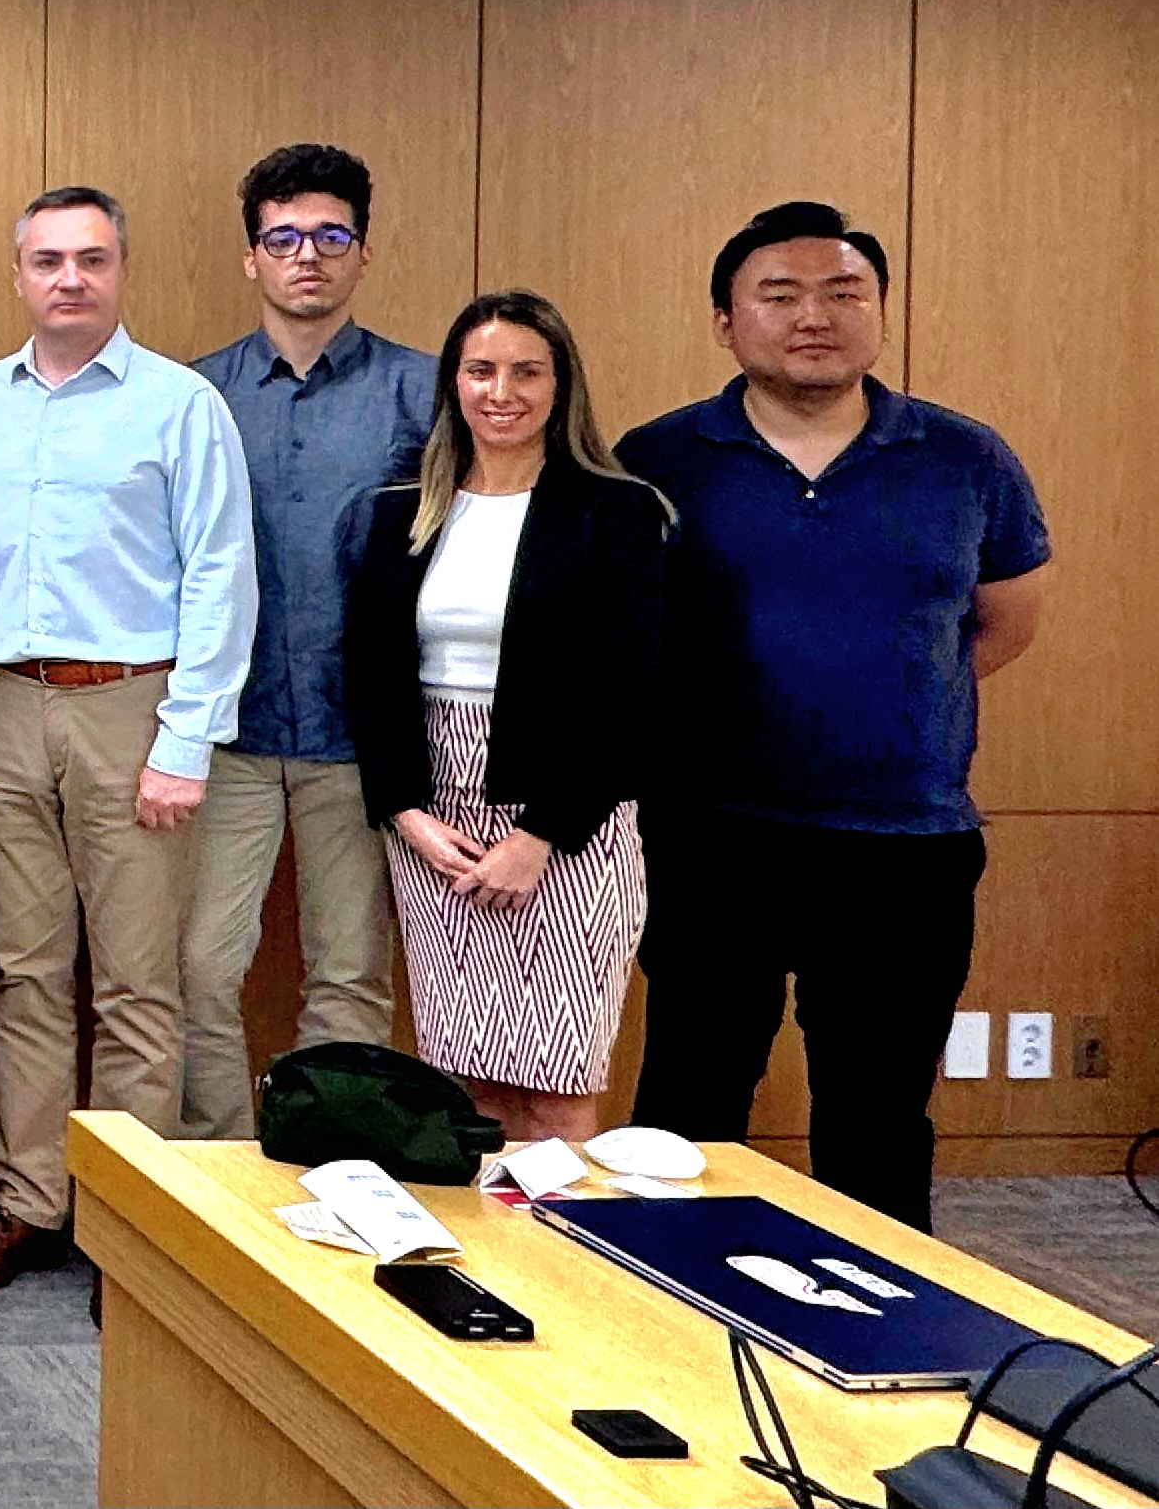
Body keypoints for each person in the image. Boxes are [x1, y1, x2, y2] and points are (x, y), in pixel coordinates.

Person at [618, 203, 1048, 1230]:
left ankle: (877, 1318)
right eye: (779, 294)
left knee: (877, 1120)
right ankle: (666, 1304)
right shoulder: (658, 458)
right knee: (688, 1106)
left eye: (843, 291)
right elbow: (620, 638)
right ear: (724, 320)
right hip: (707, 834)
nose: (813, 315)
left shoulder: (965, 458)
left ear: (881, 312)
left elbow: (1002, 623)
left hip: (902, 847)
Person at [0, 186, 256, 1295]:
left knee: (136, 985)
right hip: (0, 704)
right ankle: (27, 1199)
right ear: (18, 274)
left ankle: (127, 1229)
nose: (70, 277)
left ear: (120, 271)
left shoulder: (180, 404)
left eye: (92, 258)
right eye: (49, 259)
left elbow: (219, 575)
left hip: (131, 708)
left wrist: (186, 742)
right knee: (22, 973)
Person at [344, 291, 671, 1145]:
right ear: (453, 384)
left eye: (527, 371)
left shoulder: (616, 510)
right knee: (470, 1084)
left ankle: (556, 1240)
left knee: (556, 1082)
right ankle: (483, 1238)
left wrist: (540, 837)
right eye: (481, 370)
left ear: (561, 386)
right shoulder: (404, 507)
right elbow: (371, 671)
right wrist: (407, 813)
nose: (502, 392)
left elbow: (631, 693)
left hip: (571, 815)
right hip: (437, 815)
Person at [181, 146, 432, 1138]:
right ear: (250, 257)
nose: (307, 256)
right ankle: (217, 1173)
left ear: (364, 252)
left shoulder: (424, 392)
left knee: (349, 973)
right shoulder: (194, 396)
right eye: (282, 238)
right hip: (225, 730)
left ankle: (327, 1171)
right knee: (197, 966)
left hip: (360, 733)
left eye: (331, 235)